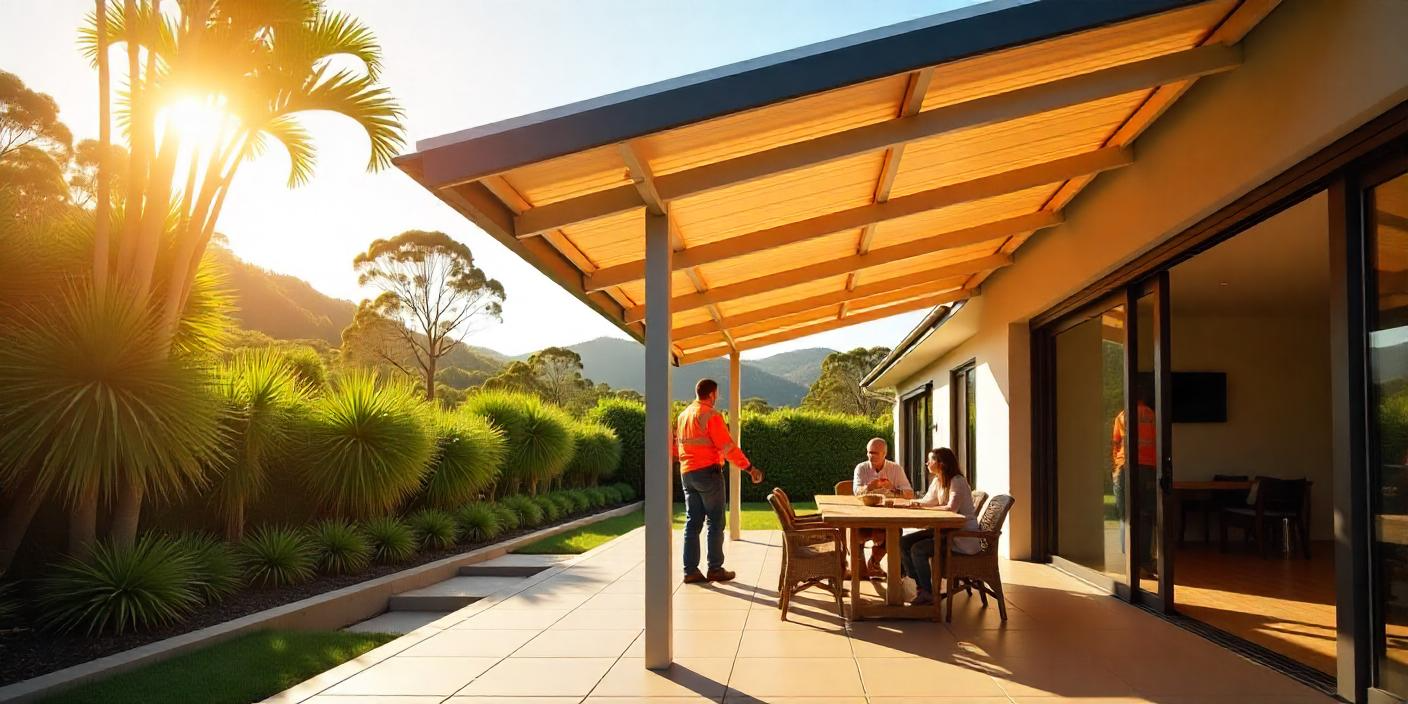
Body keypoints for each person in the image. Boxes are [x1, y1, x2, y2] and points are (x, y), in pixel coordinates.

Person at [672, 378, 762, 585]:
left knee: (692, 523)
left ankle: (691, 571)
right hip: (708, 474)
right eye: (717, 394)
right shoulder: (710, 415)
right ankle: (715, 569)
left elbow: (678, 447)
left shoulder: (683, 415)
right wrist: (749, 468)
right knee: (715, 521)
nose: (718, 397)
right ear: (712, 394)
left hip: (687, 474)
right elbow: (727, 447)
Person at [899, 447, 980, 606]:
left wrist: (924, 508)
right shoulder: (938, 480)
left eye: (930, 460)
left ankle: (928, 592)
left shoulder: (957, 480)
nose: (926, 463)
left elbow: (951, 508)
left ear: (941, 463)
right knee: (903, 542)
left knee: (918, 549)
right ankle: (921, 586)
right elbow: (929, 501)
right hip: (944, 530)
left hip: (959, 536)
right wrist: (911, 504)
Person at [1112, 378, 1157, 577]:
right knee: (1146, 515)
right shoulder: (1152, 415)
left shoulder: (1123, 416)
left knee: (1126, 515)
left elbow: (1116, 444)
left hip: (1127, 468)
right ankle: (1145, 560)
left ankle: (1129, 560)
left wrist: (1117, 467)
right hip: (1148, 468)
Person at [852, 438, 912, 577]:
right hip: (864, 517)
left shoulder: (895, 469)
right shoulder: (861, 468)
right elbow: (856, 492)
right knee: (854, 533)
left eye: (874, 453)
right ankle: (858, 569)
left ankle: (874, 562)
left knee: (895, 534)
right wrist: (869, 487)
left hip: (888, 516)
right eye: (868, 452)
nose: (870, 456)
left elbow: (909, 494)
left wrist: (892, 489)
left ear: (884, 453)